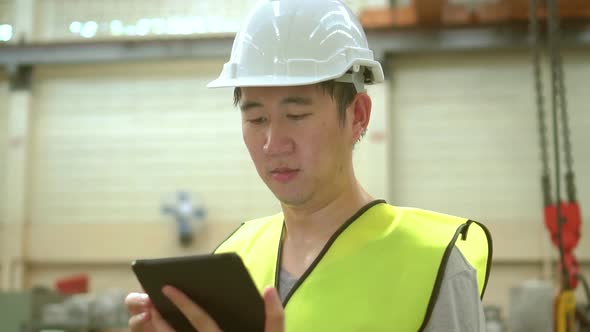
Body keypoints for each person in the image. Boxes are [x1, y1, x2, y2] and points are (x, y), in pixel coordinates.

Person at [125, 0, 492, 331]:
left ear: (358, 115)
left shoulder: (435, 265)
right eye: (256, 119)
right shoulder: (234, 258)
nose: (272, 143)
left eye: (296, 115)